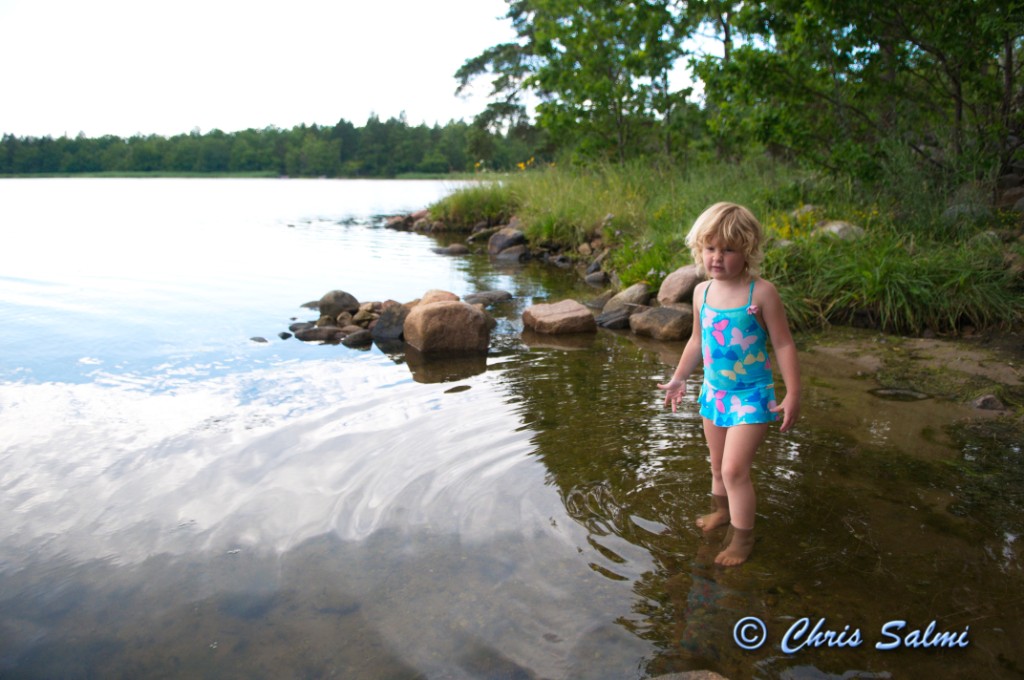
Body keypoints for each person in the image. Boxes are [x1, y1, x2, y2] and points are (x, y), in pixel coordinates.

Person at [658, 202, 801, 567]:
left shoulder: (761, 293)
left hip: (752, 396)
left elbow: (783, 343)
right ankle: (722, 512)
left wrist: (793, 393)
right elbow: (696, 341)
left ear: (748, 250)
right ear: (699, 249)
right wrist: (678, 378)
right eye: (710, 248)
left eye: (728, 249)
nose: (717, 258)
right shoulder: (701, 293)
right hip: (715, 392)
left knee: (735, 470)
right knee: (717, 465)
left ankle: (742, 538)